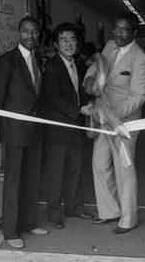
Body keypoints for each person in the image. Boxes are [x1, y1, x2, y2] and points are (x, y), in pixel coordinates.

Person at [83, 11, 145, 234]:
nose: (118, 33)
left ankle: (128, 218)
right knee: (99, 163)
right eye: (116, 28)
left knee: (125, 170)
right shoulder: (109, 45)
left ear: (135, 32)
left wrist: (111, 115)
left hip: (124, 124)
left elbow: (137, 98)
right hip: (102, 119)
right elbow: (97, 67)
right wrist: (89, 79)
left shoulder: (141, 61)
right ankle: (109, 211)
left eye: (124, 29)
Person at [0, 16, 48, 249]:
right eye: (25, 31)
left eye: (34, 32)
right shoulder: (7, 60)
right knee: (14, 182)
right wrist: (1, 127)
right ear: (18, 33)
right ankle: (11, 231)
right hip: (14, 130)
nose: (30, 36)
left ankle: (29, 222)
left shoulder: (39, 60)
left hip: (35, 129)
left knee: (32, 178)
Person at [42, 22, 95, 229]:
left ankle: (74, 207)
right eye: (63, 40)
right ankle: (54, 213)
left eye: (72, 39)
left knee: (75, 168)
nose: (69, 43)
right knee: (56, 173)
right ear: (55, 44)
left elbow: (78, 92)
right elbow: (52, 98)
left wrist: (87, 103)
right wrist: (78, 109)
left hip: (76, 127)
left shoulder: (77, 65)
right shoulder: (52, 67)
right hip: (58, 128)